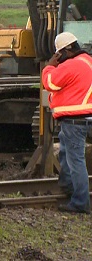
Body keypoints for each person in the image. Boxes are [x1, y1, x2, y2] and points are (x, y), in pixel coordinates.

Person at [42, 31, 92, 214]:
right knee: (66, 152)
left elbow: (50, 83)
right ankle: (67, 185)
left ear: (66, 51)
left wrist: (49, 66)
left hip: (74, 120)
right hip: (85, 118)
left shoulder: (71, 65)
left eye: (59, 55)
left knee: (76, 161)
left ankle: (80, 202)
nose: (58, 58)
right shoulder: (88, 61)